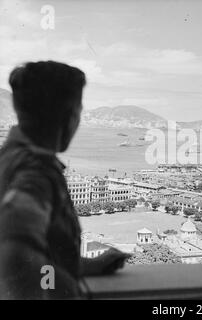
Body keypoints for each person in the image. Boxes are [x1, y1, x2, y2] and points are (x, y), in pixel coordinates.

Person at [0, 61, 129, 299]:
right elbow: (17, 259)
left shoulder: (9, 158)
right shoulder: (36, 174)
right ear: (69, 115)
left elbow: (38, 253)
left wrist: (84, 266)